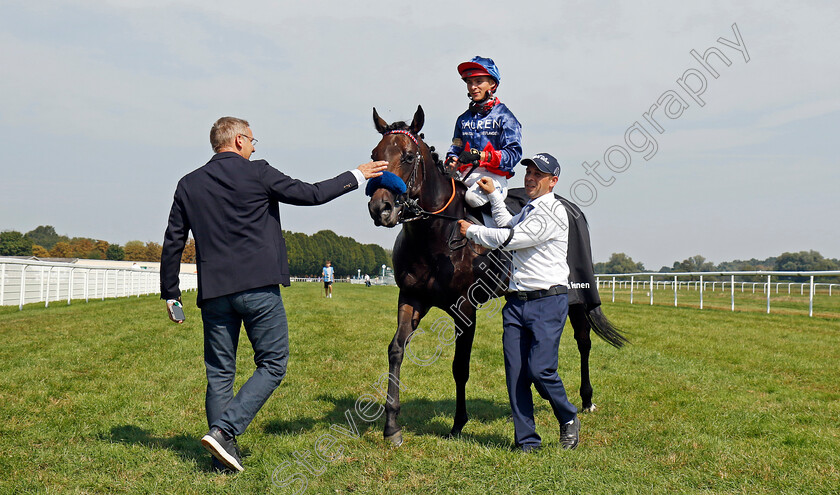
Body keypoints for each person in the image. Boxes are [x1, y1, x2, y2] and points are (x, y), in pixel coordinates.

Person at [159, 116, 387, 473]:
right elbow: (310, 194)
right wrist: (357, 175)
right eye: (252, 140)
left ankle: (221, 458)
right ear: (237, 141)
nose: (254, 146)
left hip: (215, 292)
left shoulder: (188, 184)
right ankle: (225, 431)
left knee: (220, 373)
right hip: (258, 289)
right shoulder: (258, 172)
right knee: (273, 363)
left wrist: (171, 294)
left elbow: (174, 240)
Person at [457, 152, 580, 452]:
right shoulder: (530, 209)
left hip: (547, 301)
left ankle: (568, 417)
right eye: (529, 172)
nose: (530, 177)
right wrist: (495, 197)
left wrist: (473, 231)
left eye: (538, 174)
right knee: (515, 376)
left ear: (553, 181)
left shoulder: (552, 211)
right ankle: (527, 442)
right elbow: (510, 224)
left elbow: (511, 238)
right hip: (515, 303)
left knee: (540, 370)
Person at [446, 56, 523, 220]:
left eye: (479, 81)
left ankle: (500, 238)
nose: (473, 87)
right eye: (469, 82)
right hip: (465, 174)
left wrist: (481, 156)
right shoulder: (462, 119)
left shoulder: (506, 118)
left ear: (492, 84)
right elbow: (455, 147)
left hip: (493, 177)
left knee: (472, 198)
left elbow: (513, 155)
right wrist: (451, 160)